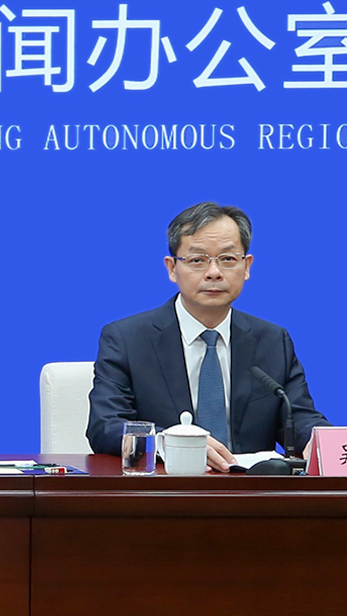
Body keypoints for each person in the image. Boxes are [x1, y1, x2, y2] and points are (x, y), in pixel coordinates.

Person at [87, 201, 328, 471]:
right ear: (172, 268)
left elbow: (301, 419)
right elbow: (105, 426)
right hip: (164, 489)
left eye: (228, 259)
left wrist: (319, 443)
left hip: (251, 491)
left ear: (247, 266)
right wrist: (172, 442)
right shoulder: (127, 339)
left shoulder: (272, 340)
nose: (214, 273)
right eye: (197, 260)